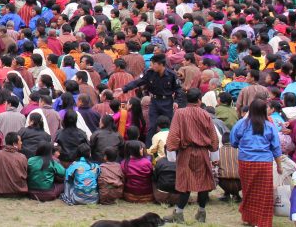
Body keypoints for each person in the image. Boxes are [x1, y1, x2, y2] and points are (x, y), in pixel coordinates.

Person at [164, 87, 220, 223]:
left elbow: (173, 135)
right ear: (199, 100)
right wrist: (215, 156)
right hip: (202, 152)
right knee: (203, 183)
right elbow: (213, 138)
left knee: (185, 183)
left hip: (186, 151)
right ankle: (201, 212)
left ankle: (179, 213)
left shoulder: (179, 113)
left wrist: (171, 152)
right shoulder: (205, 114)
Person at [231, 99, 282, 227]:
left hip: (246, 162)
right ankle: (261, 222)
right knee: (264, 193)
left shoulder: (241, 124)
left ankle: (249, 218)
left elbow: (233, 141)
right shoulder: (269, 125)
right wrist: (279, 166)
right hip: (264, 163)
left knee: (248, 190)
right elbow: (276, 148)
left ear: (250, 110)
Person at [121, 53, 181, 145]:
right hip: (154, 102)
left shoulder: (172, 75)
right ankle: (148, 148)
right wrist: (124, 89)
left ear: (161, 64)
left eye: (153, 64)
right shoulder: (149, 73)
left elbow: (178, 89)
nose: (151, 65)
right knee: (152, 126)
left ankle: (170, 146)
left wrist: (176, 101)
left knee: (168, 125)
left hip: (167, 102)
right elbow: (138, 82)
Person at [0, 131, 29, 197]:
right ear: (15, 144)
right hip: (18, 191)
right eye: (20, 141)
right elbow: (26, 174)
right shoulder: (22, 157)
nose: (21, 143)